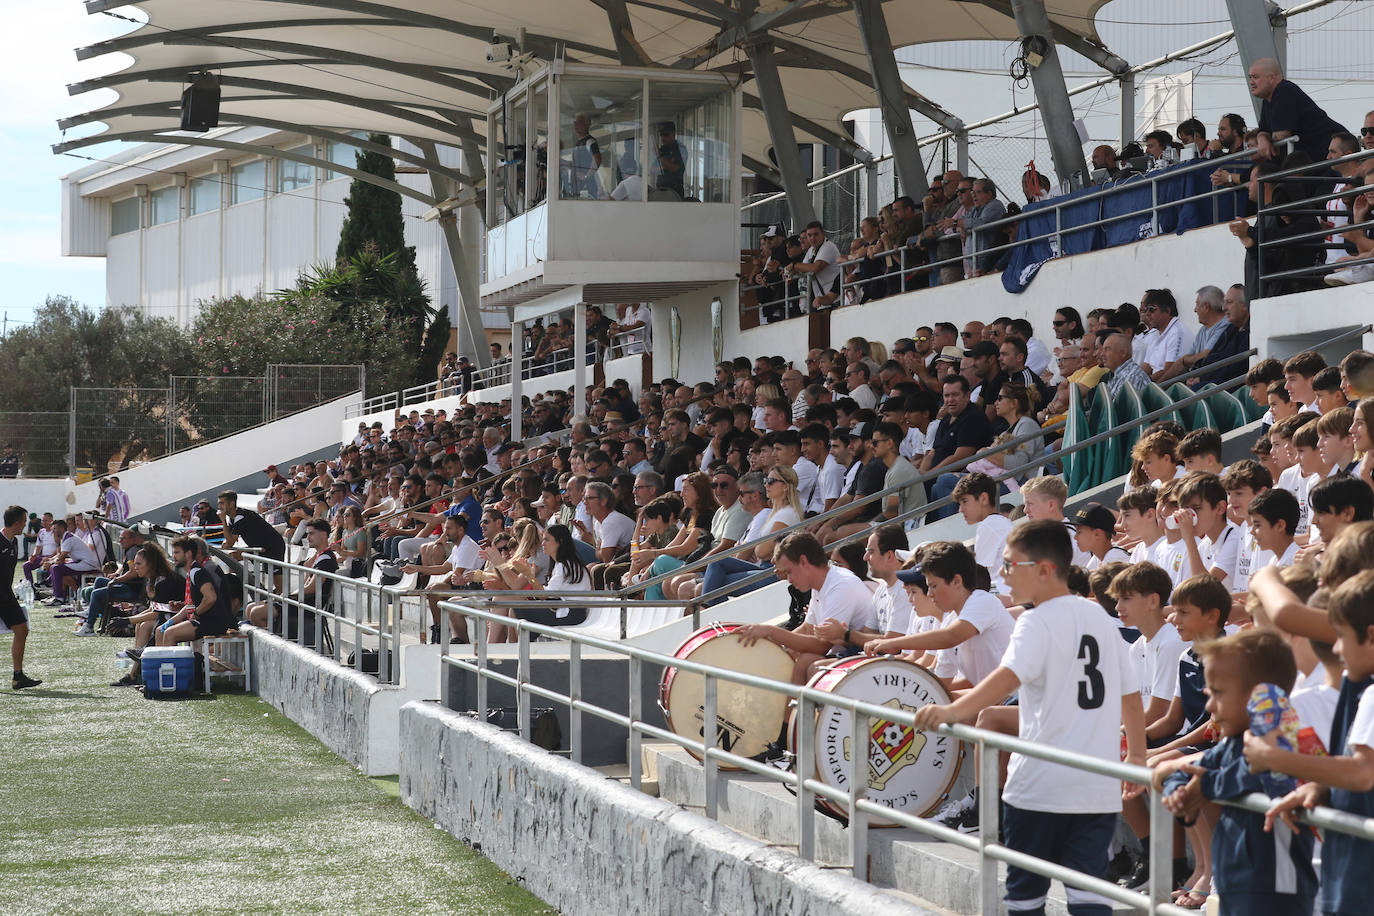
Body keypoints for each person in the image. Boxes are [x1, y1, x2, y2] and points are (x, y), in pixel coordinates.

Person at [914, 520, 1145, 914]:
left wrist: (953, 710)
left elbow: (1006, 678)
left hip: (1041, 783)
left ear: (1044, 569)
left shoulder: (1035, 620)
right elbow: (1129, 693)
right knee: (1090, 897)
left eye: (1010, 565)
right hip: (1095, 782)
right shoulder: (1099, 618)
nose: (1003, 575)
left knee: (1026, 896)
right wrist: (1136, 756)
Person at [1153, 629, 1317, 915]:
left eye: (1218, 693)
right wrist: (1177, 791)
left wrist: (1204, 787)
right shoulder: (1232, 744)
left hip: (1275, 889)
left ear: (1260, 695)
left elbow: (1256, 772)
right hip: (1236, 881)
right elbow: (1192, 771)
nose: (1209, 706)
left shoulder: (1282, 744)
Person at [1249, 57, 1348, 166]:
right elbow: (1264, 130)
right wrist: (1262, 138)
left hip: (1332, 151)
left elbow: (1282, 135)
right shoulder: (1268, 100)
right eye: (1250, 77)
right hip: (1316, 159)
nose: (1251, 82)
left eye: (1255, 77)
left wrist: (1266, 141)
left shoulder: (1284, 91)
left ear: (1272, 77)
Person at [155, 536, 235, 645]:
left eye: (177, 553)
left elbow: (210, 598)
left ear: (188, 554)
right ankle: (160, 661)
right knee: (160, 630)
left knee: (169, 633)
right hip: (205, 620)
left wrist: (196, 612)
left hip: (213, 622)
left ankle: (170, 662)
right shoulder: (192, 571)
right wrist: (171, 622)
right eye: (173, 553)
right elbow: (190, 605)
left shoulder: (197, 572)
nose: (174, 556)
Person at [1, 506, 40, 689]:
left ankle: (18, 676)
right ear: (17, 523)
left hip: (6, 596)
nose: (25, 524)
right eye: (24, 521)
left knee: (22, 629)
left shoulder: (14, 542)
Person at [218, 490, 287, 563]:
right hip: (259, 547)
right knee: (233, 557)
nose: (219, 506)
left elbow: (230, 542)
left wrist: (223, 521)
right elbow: (228, 540)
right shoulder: (233, 518)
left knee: (276, 574)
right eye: (219, 504)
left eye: (222, 503)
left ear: (231, 504)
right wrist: (226, 542)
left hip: (273, 546)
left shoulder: (241, 517)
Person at [652, 121, 686, 199]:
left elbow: (675, 169)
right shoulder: (663, 149)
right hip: (660, 191)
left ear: (673, 134)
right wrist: (666, 166)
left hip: (674, 192)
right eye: (661, 135)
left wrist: (660, 157)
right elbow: (653, 169)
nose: (663, 138)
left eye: (666, 134)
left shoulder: (680, 149)